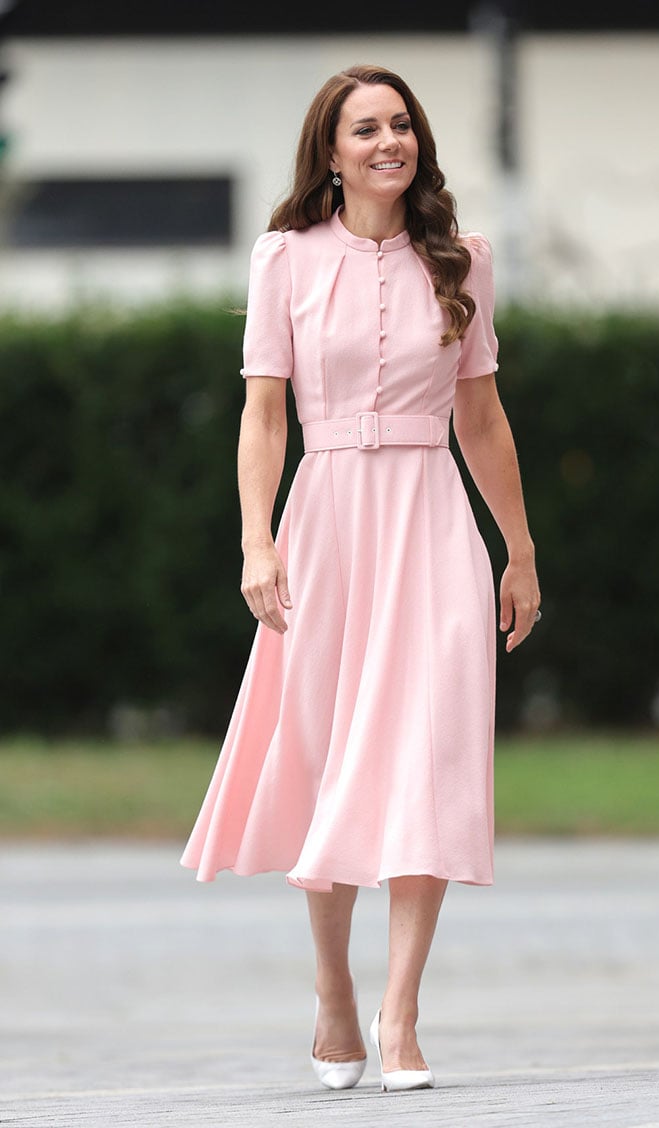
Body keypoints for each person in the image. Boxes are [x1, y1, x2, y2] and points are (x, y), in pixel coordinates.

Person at [180, 63, 541, 1093]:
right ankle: (336, 994)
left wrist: (518, 548)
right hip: (327, 523)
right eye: (366, 129)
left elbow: (481, 418)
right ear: (330, 153)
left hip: (432, 523)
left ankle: (402, 1013)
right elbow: (263, 413)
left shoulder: (462, 258)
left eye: (402, 126)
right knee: (328, 756)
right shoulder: (285, 259)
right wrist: (257, 542)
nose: (390, 142)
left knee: (430, 755)